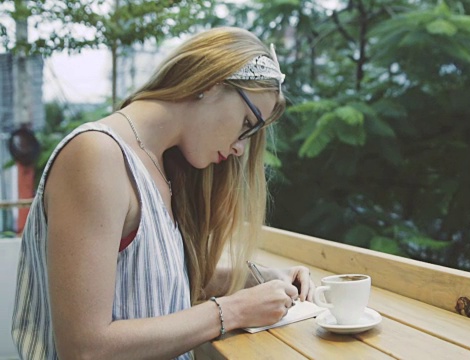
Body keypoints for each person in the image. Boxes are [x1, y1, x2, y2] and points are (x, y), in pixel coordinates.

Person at [12, 26, 314, 360]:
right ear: (212, 85)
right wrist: (233, 311)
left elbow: (150, 283)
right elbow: (85, 348)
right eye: (247, 122)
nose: (241, 148)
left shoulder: (161, 167)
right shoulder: (97, 155)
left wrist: (255, 279)